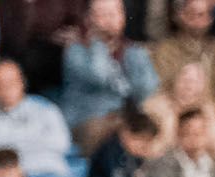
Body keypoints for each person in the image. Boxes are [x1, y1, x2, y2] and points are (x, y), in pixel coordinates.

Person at [60, 0, 158, 153]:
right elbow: (99, 75)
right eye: (102, 14)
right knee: (113, 132)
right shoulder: (76, 50)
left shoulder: (131, 50)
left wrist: (136, 58)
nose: (109, 20)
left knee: (153, 123)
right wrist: (97, 42)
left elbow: (147, 89)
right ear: (89, 19)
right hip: (87, 120)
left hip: (123, 117)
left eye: (114, 13)